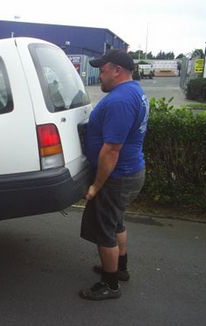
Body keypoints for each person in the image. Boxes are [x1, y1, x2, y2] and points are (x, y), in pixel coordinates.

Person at [78, 49, 149, 301]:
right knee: (116, 222)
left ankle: (110, 285)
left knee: (104, 230)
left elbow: (111, 150)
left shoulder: (119, 101)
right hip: (130, 172)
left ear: (117, 70)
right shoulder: (135, 92)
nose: (100, 74)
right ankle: (121, 269)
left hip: (116, 177)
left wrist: (96, 186)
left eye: (103, 69)